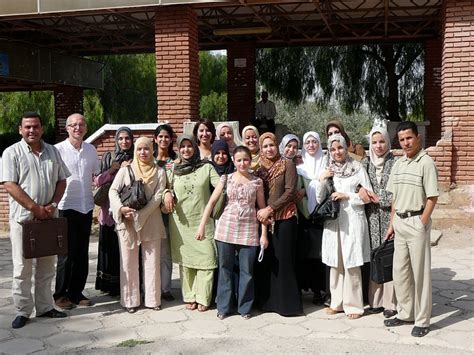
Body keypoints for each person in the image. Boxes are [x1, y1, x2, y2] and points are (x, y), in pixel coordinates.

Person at [1, 112, 69, 329]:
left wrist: (53, 205)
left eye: (36, 126)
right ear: (20, 129)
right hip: (24, 221)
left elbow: (61, 180)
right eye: (27, 127)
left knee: (47, 265)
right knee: (23, 268)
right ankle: (22, 310)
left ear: (42, 128)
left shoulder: (52, 151)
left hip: (49, 219)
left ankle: (45, 306)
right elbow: (10, 185)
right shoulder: (11, 153)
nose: (32, 130)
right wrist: (35, 208)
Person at [197, 146, 268, 320]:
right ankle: (223, 307)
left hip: (249, 230)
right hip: (226, 229)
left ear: (250, 161)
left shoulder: (257, 182)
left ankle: (245, 308)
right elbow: (212, 203)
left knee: (247, 271)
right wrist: (202, 226)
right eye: (239, 160)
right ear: (234, 161)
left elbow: (262, 208)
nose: (242, 163)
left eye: (245, 159)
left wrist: (264, 234)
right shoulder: (226, 179)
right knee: (225, 269)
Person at [384, 121, 439, 338]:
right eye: (402, 139)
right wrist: (391, 224)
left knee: (421, 273)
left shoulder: (426, 163)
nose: (406, 143)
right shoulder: (398, 164)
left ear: (418, 138)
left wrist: (423, 222)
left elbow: (433, 197)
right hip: (400, 223)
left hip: (417, 222)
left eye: (409, 138)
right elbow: (395, 198)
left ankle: (422, 319)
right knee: (400, 272)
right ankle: (405, 313)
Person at [317, 134, 372, 320]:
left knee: (351, 262)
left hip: (353, 220)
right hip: (334, 222)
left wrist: (347, 196)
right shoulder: (329, 169)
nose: (337, 152)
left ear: (345, 147)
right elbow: (319, 198)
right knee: (336, 262)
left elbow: (368, 196)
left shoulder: (357, 168)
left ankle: (354, 305)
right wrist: (322, 180)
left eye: (339, 148)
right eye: (332, 149)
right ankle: (336, 302)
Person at [109, 137, 167, 313]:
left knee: (152, 261)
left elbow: (158, 197)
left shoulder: (159, 172)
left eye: (147, 149)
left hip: (151, 220)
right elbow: (113, 190)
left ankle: (152, 299)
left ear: (152, 150)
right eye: (140, 149)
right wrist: (121, 208)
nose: (143, 152)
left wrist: (141, 215)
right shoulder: (126, 170)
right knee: (128, 262)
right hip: (127, 221)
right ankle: (130, 301)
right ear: (135, 150)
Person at [163, 135, 219, 312]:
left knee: (207, 259)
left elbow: (220, 185)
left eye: (189, 146)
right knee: (186, 262)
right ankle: (190, 296)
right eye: (183, 146)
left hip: (203, 220)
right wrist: (166, 193)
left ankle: (204, 297)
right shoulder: (172, 168)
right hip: (180, 222)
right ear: (178, 148)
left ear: (195, 147)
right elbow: (164, 185)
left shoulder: (206, 167)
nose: (186, 149)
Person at [54, 113, 100, 310]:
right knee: (65, 254)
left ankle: (76, 292)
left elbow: (96, 177)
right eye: (73, 125)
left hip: (86, 206)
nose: (77, 128)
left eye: (81, 125)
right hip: (65, 206)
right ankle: (60, 295)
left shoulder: (91, 150)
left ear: (86, 128)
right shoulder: (57, 150)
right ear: (67, 128)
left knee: (81, 253)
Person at [255, 132, 303, 316]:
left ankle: (287, 306)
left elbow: (290, 192)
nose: (269, 149)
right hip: (267, 221)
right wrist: (263, 213)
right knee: (269, 261)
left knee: (284, 261)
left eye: (272, 145)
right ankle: (269, 303)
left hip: (285, 218)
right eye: (265, 146)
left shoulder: (287, 164)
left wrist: (270, 209)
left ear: (277, 146)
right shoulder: (259, 169)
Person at [360, 127, 397, 318]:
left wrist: (379, 197)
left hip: (390, 216)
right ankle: (375, 301)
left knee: (389, 258)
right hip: (371, 217)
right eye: (374, 142)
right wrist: (362, 192)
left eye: (381, 141)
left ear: (387, 143)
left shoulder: (395, 163)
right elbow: (358, 184)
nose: (378, 146)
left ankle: (391, 303)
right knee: (375, 257)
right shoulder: (365, 163)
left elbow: (397, 192)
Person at [94, 127, 134, 297]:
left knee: (123, 249)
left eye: (127, 138)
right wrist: (112, 170)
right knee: (108, 249)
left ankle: (124, 285)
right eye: (121, 139)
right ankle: (107, 285)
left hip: (127, 211)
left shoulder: (136, 157)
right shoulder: (109, 157)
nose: (124, 142)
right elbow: (97, 181)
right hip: (108, 212)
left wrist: (128, 168)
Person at [295, 131, 328, 305]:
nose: (311, 145)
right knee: (305, 253)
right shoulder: (300, 166)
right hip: (304, 215)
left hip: (322, 217)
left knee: (319, 255)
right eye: (307, 142)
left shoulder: (326, 164)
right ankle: (305, 288)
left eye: (314, 142)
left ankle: (319, 290)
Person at [153, 123, 177, 302]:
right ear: (155, 139)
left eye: (166, 137)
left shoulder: (175, 162)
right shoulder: (147, 158)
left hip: (169, 212)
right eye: (160, 136)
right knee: (149, 251)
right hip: (150, 211)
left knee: (165, 251)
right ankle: (150, 286)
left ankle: (165, 288)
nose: (163, 139)